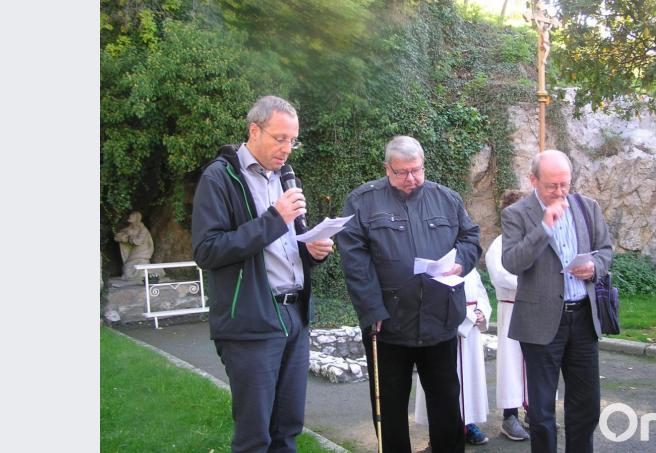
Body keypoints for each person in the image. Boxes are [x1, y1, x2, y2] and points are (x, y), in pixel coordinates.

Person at [191, 95, 334, 453]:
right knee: (255, 436)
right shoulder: (220, 178)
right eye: (280, 138)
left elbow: (287, 241)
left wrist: (311, 250)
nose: (287, 149)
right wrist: (275, 219)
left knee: (287, 429)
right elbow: (207, 250)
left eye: (292, 140)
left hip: (295, 315)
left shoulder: (285, 178)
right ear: (254, 130)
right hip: (251, 319)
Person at [337, 135, 482, 453]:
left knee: (446, 402)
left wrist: (460, 262)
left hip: (439, 318)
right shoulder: (363, 201)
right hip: (387, 323)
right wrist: (372, 310)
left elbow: (471, 238)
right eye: (401, 172)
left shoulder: (446, 198)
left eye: (416, 170)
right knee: (389, 407)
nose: (411, 179)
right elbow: (355, 262)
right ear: (387, 168)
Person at [501, 150, 613, 453]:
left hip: (583, 318)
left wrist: (594, 267)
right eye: (552, 186)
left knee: (586, 405)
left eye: (565, 184)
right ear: (533, 180)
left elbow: (605, 250)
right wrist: (544, 228)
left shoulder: (587, 207)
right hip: (539, 323)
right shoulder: (517, 214)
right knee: (541, 412)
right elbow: (512, 262)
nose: (561, 192)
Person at [413, 268, 491, 446]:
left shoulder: (469, 267)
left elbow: (481, 293)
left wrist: (481, 312)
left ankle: (468, 422)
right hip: (445, 330)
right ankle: (442, 430)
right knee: (444, 386)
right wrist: (469, 316)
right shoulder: (436, 266)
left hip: (471, 332)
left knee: (468, 381)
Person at [485, 190, 531, 442]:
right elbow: (501, 276)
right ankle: (509, 416)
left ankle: (534, 411)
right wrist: (532, 283)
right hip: (512, 307)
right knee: (512, 363)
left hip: (535, 308)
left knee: (537, 361)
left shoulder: (533, 240)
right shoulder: (500, 244)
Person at [114, 211, 163, 280]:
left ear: (137, 218)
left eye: (132, 216)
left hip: (142, 254)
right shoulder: (130, 228)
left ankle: (157, 271)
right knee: (126, 269)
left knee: (139, 270)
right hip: (134, 254)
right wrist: (122, 237)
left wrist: (128, 238)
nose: (130, 217)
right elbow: (117, 236)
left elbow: (138, 241)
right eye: (130, 216)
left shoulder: (143, 229)